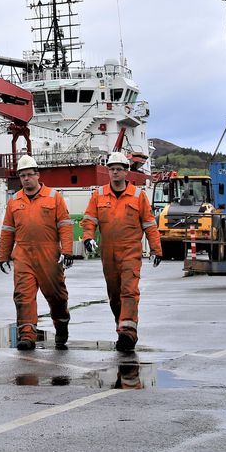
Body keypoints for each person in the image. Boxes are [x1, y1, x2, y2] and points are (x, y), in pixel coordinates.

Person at [80, 151, 163, 352]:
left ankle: (128, 333)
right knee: (115, 295)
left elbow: (150, 224)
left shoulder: (138, 196)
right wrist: (88, 238)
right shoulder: (98, 195)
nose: (115, 172)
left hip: (130, 252)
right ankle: (123, 325)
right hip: (108, 254)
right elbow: (89, 220)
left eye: (119, 169)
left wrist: (156, 249)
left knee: (129, 291)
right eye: (112, 169)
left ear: (126, 172)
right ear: (108, 172)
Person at [0, 154, 74, 351]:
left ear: (37, 175)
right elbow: (8, 230)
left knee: (57, 296)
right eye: (22, 175)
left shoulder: (53, 197)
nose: (26, 179)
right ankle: (27, 335)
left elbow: (65, 226)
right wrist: (3, 255)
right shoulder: (14, 201)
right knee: (23, 296)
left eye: (29, 174)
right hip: (23, 254)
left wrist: (67, 251)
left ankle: (61, 325)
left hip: (49, 255)